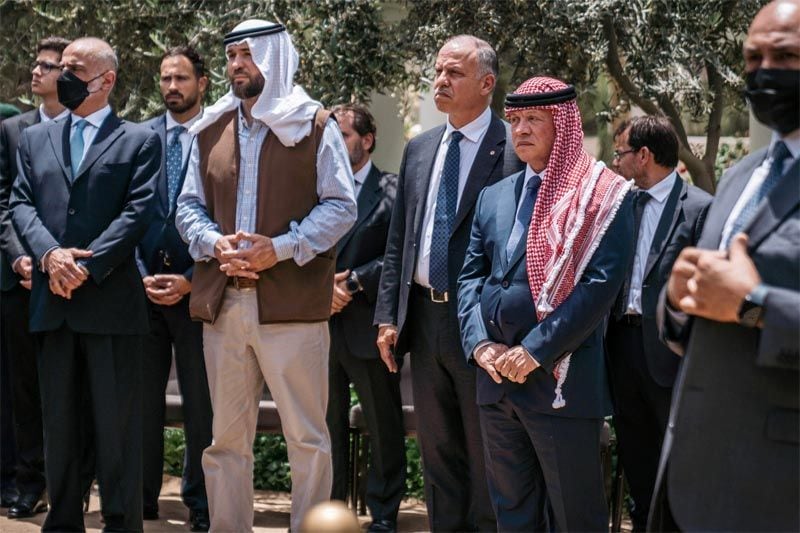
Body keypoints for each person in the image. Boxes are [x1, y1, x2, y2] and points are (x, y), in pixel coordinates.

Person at [175, 19, 357, 533]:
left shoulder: (315, 124)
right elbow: (187, 206)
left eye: (248, 55)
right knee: (225, 441)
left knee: (307, 440)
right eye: (231, 55)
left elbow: (342, 207)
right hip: (224, 303)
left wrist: (277, 249)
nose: (237, 65)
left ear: (274, 59)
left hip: (293, 308)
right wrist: (217, 244)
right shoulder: (208, 127)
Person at [457, 76, 635, 531]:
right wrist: (481, 346)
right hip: (496, 381)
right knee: (512, 513)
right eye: (514, 119)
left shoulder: (604, 196)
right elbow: (470, 279)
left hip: (560, 383)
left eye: (534, 119)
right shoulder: (493, 197)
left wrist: (535, 351)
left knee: (574, 516)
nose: (521, 130)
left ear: (564, 124)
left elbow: (597, 288)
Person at [651, 1, 800, 530]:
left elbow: (744, 302)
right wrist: (676, 301)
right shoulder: (743, 176)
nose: (764, 72)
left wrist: (755, 307)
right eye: (752, 56)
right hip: (690, 478)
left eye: (784, 55)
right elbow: (698, 313)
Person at [10, 37, 160, 531]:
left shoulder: (139, 140)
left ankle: (119, 522)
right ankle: (64, 522)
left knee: (116, 429)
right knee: (60, 427)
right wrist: (51, 256)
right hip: (52, 306)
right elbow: (20, 205)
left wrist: (85, 265)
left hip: (111, 305)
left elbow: (139, 212)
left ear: (106, 79)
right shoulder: (34, 139)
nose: (63, 76)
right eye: (62, 68)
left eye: (74, 68)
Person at [374, 34, 523, 532]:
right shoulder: (420, 149)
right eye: (438, 71)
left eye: (454, 73)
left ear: (486, 84)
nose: (440, 81)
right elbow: (401, 240)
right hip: (424, 318)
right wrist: (388, 318)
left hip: (483, 327)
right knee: (437, 457)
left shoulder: (513, 151)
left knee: (486, 455)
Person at [605, 116, 712, 530]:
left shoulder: (700, 208)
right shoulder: (619, 205)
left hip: (671, 357)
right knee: (637, 462)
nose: (616, 163)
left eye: (621, 154)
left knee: (679, 466)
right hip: (622, 351)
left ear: (644, 156)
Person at [137, 45, 212, 531]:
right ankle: (139, 500)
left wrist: (192, 280)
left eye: (180, 78)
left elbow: (228, 214)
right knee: (139, 404)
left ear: (202, 83)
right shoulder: (139, 136)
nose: (171, 87)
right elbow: (126, 210)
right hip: (141, 292)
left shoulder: (223, 134)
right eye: (165, 78)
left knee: (201, 407)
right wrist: (139, 272)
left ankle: (201, 505)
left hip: (199, 293)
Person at [0, 36, 71, 519]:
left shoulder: (90, 128)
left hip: (72, 277)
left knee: (72, 387)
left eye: (49, 65)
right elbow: (6, 202)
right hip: (19, 279)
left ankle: (73, 481)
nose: (37, 71)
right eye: (37, 63)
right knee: (23, 389)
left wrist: (56, 261)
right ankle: (29, 483)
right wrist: (22, 259)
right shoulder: (12, 129)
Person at [326, 103, 404, 533]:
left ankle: (384, 514)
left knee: (382, 424)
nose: (335, 145)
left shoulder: (392, 188)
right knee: (324, 428)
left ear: (367, 140)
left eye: (344, 135)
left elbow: (399, 253)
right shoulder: (313, 188)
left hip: (369, 327)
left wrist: (353, 282)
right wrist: (322, 289)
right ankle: (329, 511)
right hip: (318, 326)